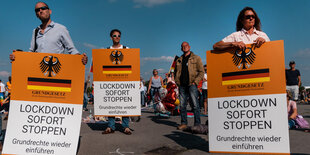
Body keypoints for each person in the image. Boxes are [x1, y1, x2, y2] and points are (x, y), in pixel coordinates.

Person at [9, 2, 88, 65]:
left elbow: (71, 49)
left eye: (43, 8)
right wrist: (19, 56)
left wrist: (81, 58)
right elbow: (31, 53)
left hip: (56, 71)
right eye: (37, 10)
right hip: (38, 71)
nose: (40, 11)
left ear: (49, 11)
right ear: (36, 15)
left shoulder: (61, 29)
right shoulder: (35, 31)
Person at [102, 29, 131, 135]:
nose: (117, 37)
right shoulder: (106, 50)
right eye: (114, 35)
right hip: (111, 80)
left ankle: (126, 126)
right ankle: (110, 126)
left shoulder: (126, 49)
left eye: (119, 35)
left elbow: (131, 63)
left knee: (125, 103)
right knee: (110, 104)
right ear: (111, 37)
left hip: (124, 80)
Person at [174, 42, 204, 130]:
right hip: (182, 85)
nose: (184, 47)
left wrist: (196, 82)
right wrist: (177, 82)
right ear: (181, 49)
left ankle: (197, 124)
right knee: (182, 106)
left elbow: (201, 72)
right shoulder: (179, 60)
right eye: (182, 46)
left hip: (192, 84)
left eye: (186, 46)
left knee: (195, 105)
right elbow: (175, 72)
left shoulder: (196, 58)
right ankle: (184, 123)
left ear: (189, 47)